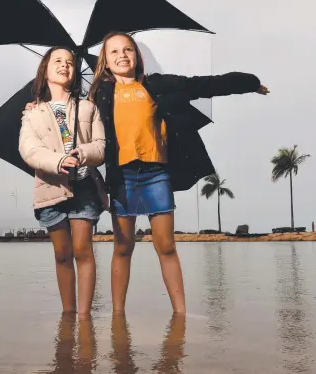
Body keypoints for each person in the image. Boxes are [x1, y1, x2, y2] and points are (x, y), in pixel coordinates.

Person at [87, 31, 270, 316]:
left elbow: (202, 85)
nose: (122, 55)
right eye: (114, 52)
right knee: (123, 248)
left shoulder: (157, 85)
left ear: (137, 56)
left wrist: (249, 83)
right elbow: (76, 124)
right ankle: (118, 317)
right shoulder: (99, 96)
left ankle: (180, 315)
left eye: (128, 50)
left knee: (166, 246)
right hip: (122, 178)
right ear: (105, 62)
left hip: (156, 173)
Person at [19, 46, 108, 315]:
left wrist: (82, 153)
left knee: (83, 250)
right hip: (51, 189)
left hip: (84, 187)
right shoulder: (32, 113)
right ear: (44, 69)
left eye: (70, 62)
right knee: (62, 254)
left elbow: (100, 146)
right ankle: (68, 315)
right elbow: (29, 150)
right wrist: (58, 161)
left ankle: (84, 318)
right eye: (57, 61)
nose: (64, 65)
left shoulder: (88, 107)